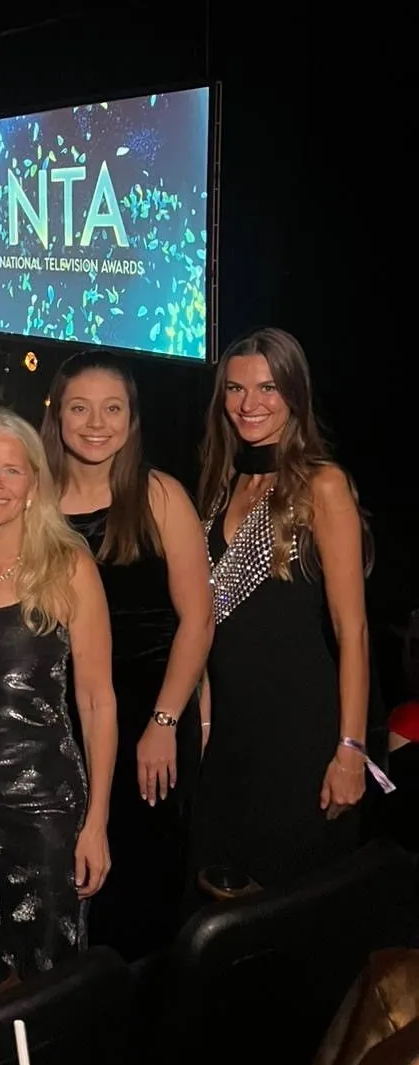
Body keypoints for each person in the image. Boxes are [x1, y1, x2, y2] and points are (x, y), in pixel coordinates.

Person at [190, 327, 375, 892]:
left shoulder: (323, 484)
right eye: (236, 388)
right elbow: (206, 626)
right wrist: (204, 724)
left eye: (268, 387)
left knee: (294, 918)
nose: (250, 404)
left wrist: (351, 749)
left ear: (295, 394)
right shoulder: (220, 484)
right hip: (233, 736)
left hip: (302, 733)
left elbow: (354, 631)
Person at [42, 353, 213, 958]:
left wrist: (166, 722)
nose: (96, 423)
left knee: (141, 895)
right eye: (80, 408)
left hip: (151, 718)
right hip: (64, 724)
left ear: (132, 419)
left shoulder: (159, 495)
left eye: (112, 408)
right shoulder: (33, 504)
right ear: (56, 414)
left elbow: (199, 618)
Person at [0, 407, 116, 980]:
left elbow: (97, 701)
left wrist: (96, 824)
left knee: (46, 984)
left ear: (32, 485)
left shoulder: (67, 567)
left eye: (11, 471)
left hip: (44, 814)